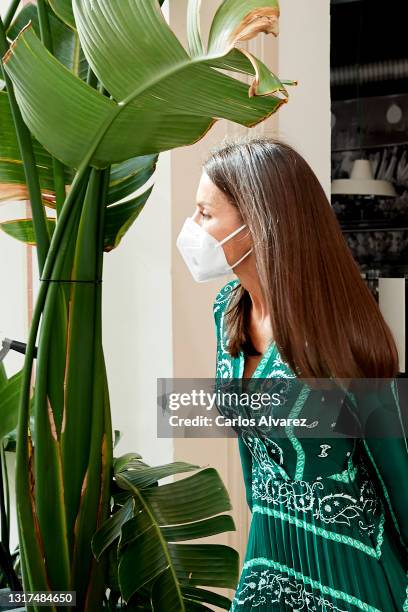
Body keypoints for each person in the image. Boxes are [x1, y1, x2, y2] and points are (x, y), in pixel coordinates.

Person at [176, 135, 408, 611]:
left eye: (206, 213)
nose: (192, 228)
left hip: (350, 573)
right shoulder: (227, 312)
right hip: (270, 563)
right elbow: (252, 454)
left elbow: (396, 475)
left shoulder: (340, 333)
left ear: (257, 225)